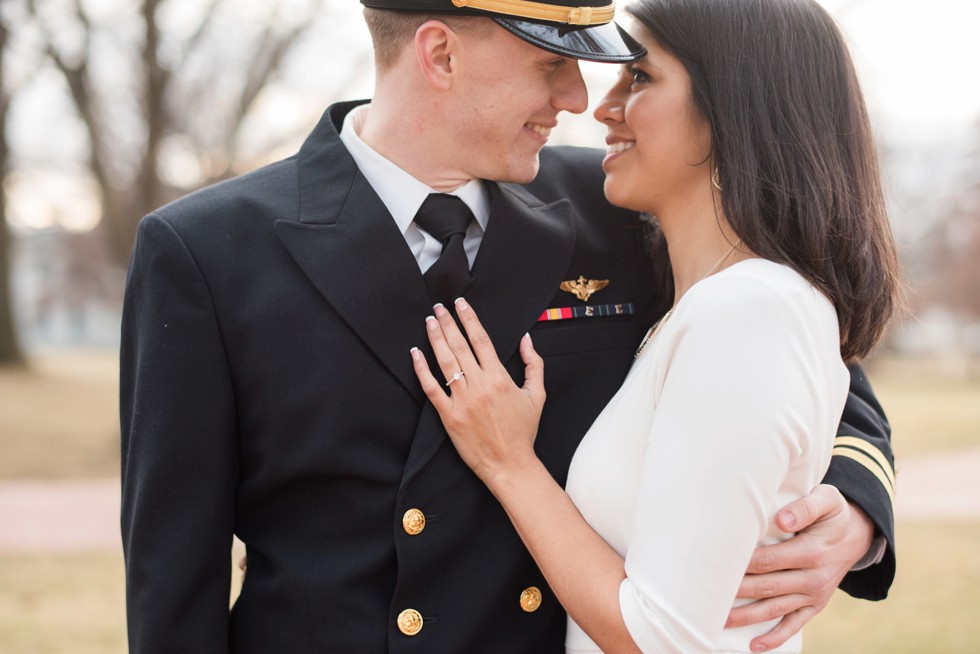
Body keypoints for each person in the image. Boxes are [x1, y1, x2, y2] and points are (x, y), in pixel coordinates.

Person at [119, 1, 896, 652]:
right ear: (440, 55)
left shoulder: (620, 211)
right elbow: (173, 579)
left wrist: (854, 513)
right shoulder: (208, 252)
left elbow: (810, 364)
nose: (577, 97)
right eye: (549, 62)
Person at [410, 0, 902, 652]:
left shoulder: (737, 303)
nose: (595, 105)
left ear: (734, 106)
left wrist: (509, 463)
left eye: (637, 78)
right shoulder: (704, 285)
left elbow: (663, 638)